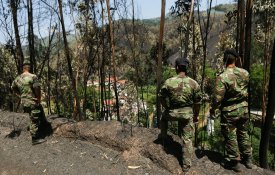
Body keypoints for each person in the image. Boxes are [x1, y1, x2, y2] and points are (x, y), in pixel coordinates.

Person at [210, 49, 253, 172]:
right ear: (236, 59)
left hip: (229, 112)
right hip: (244, 110)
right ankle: (248, 159)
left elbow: (217, 98)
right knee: (243, 133)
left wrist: (213, 109)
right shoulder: (245, 73)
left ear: (224, 60)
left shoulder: (222, 77)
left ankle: (235, 162)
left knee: (230, 135)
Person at [159, 57, 202, 172]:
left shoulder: (169, 82)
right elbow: (198, 102)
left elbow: (161, 97)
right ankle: (186, 167)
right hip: (187, 115)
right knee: (187, 139)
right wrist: (196, 115)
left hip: (172, 113)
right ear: (186, 68)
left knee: (163, 118)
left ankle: (163, 139)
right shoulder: (194, 83)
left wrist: (167, 107)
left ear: (177, 67)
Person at [12, 59, 47, 145]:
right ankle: (35, 138)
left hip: (24, 102)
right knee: (34, 119)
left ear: (23, 68)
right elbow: (37, 89)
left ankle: (42, 126)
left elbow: (13, 88)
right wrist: (38, 98)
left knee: (33, 116)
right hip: (32, 101)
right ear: (29, 67)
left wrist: (20, 95)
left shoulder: (17, 78)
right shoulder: (33, 77)